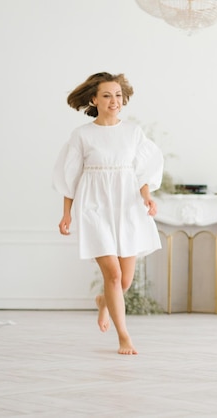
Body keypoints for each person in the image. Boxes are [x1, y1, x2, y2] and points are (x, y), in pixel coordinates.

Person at [53, 72, 164, 355]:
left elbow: (142, 171)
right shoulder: (82, 135)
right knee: (113, 275)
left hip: (127, 205)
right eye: (107, 95)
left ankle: (104, 302)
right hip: (94, 206)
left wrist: (148, 198)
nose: (114, 101)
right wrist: (66, 214)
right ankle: (124, 337)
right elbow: (70, 176)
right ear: (94, 99)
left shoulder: (133, 132)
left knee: (124, 281)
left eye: (118, 95)